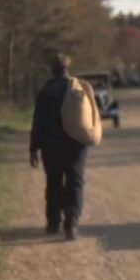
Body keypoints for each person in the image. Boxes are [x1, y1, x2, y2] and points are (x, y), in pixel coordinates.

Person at [29, 53, 90, 240]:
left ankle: (53, 222)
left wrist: (34, 147)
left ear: (53, 69)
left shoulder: (46, 91)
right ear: (67, 68)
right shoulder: (77, 88)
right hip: (76, 145)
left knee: (54, 182)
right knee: (75, 181)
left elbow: (38, 122)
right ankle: (71, 223)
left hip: (51, 145)